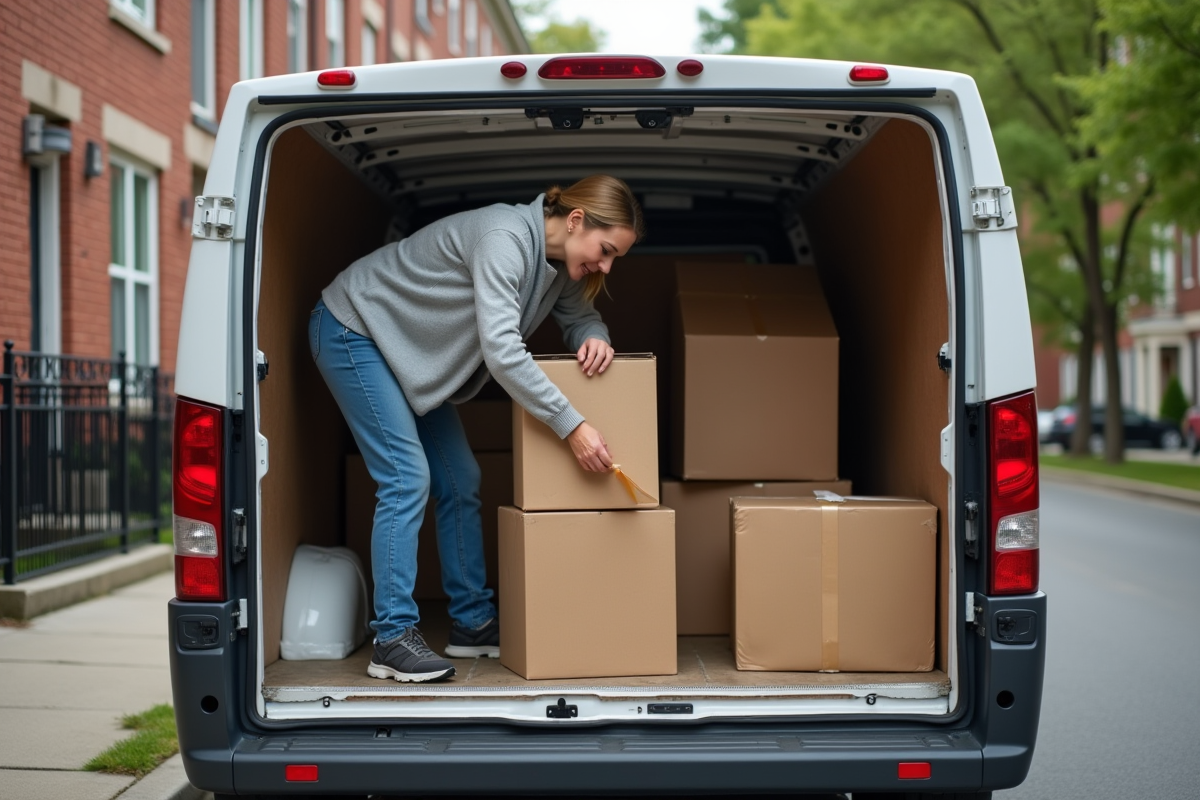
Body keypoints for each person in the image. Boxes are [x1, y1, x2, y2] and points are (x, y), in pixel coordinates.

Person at [310, 175, 645, 682]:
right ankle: (392, 637)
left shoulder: (554, 266)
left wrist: (595, 335)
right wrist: (572, 426)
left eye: (615, 257)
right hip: (355, 330)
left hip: (405, 354)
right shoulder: (504, 239)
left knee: (460, 479)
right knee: (406, 478)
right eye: (605, 250)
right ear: (575, 221)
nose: (605, 266)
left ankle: (472, 623)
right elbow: (503, 351)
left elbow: (581, 316)